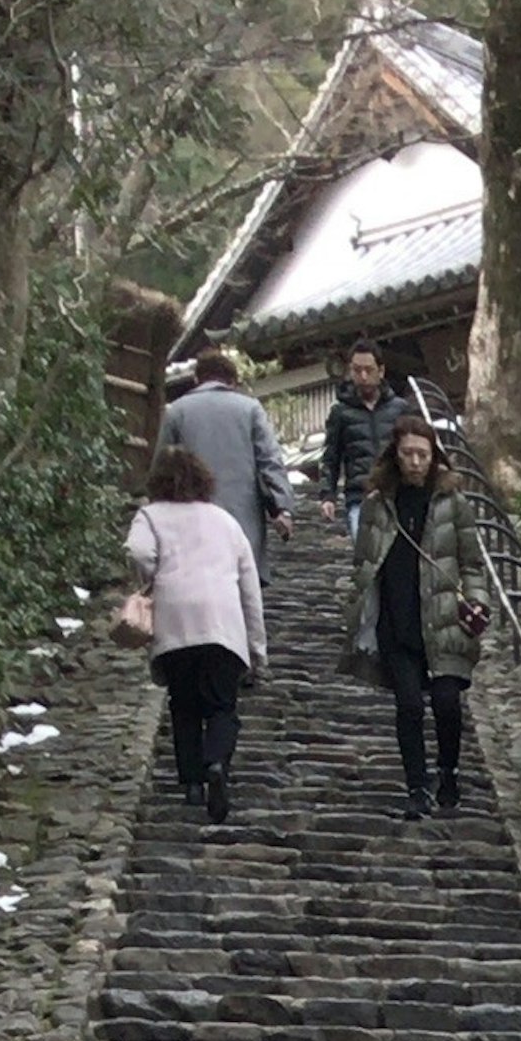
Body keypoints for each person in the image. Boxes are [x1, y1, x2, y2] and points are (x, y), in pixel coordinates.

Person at [344, 412, 480, 817]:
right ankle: (417, 786)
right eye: (408, 454)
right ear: (396, 455)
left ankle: (449, 771)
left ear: (434, 456)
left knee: (447, 704)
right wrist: (358, 604)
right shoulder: (377, 505)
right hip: (397, 620)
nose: (416, 462)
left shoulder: (454, 503)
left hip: (445, 621)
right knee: (408, 705)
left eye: (423, 454)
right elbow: (363, 562)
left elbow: (471, 561)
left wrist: (476, 601)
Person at [127, 437, 265, 822]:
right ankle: (217, 762)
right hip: (222, 623)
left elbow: (138, 551)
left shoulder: (150, 516)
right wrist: (257, 647)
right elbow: (249, 588)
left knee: (183, 705)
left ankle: (191, 784)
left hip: (175, 621)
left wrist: (152, 578)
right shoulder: (225, 520)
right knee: (223, 706)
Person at [160, 345, 289, 555]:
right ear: (232, 381)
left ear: (196, 379)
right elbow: (269, 460)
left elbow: (163, 470)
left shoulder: (176, 412)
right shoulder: (250, 409)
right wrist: (282, 508)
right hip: (244, 522)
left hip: (191, 522)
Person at [319, 339, 405, 528]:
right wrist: (328, 496)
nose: (363, 376)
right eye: (357, 370)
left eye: (369, 370)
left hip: (397, 495)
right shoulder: (340, 413)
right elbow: (331, 457)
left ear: (381, 371)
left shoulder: (400, 409)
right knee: (365, 555)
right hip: (360, 497)